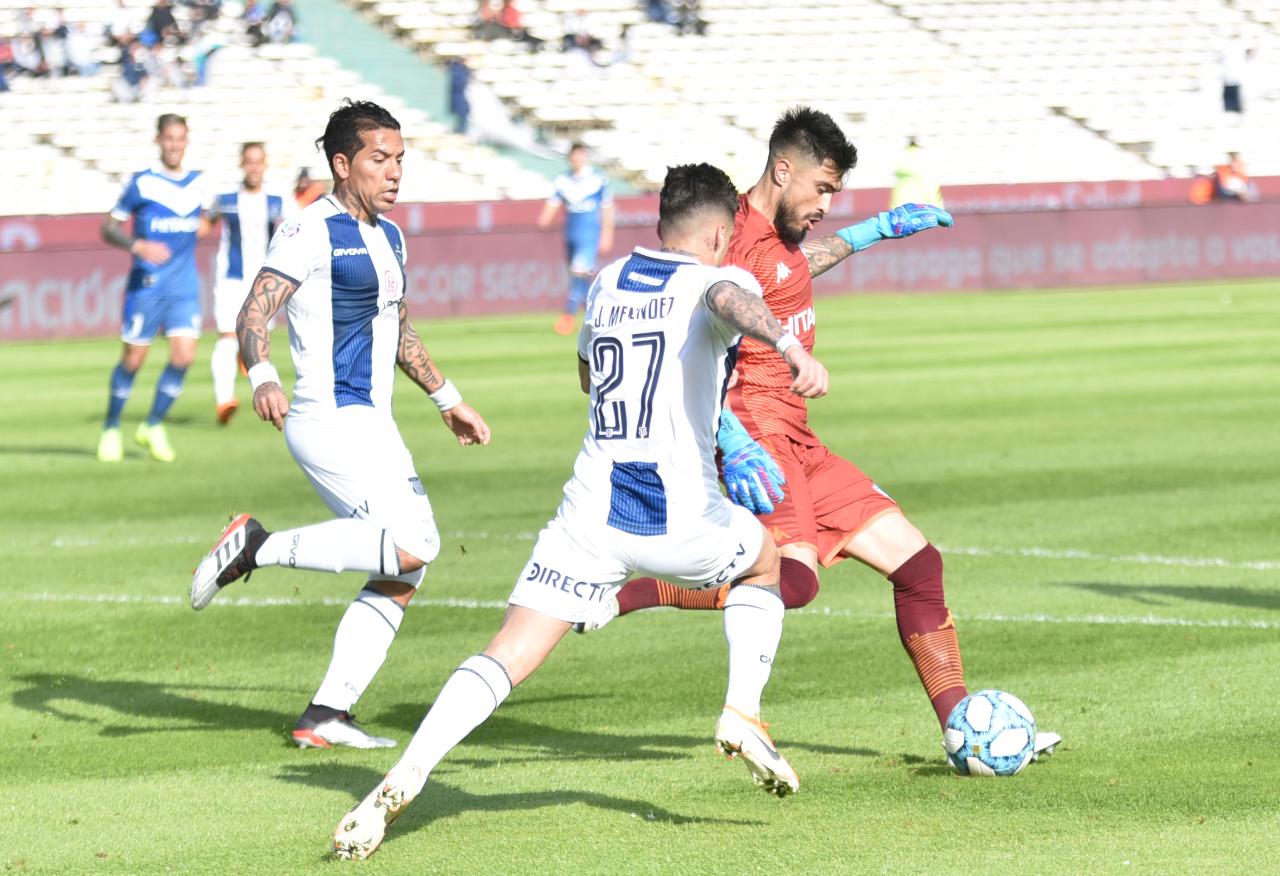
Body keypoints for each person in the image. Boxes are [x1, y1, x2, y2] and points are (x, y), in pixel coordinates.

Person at [329, 162, 830, 860]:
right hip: (677, 517)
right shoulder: (723, 277)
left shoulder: (606, 281)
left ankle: (406, 774)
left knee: (506, 652)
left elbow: (590, 377)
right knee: (766, 563)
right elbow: (723, 297)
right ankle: (743, 710)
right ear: (720, 231)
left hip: (588, 513)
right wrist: (786, 343)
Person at [583, 107, 1061, 759]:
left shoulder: (775, 240)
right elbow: (687, 331)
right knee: (796, 583)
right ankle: (632, 591)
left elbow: (794, 271)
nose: (827, 205)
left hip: (800, 439)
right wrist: (729, 435)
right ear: (783, 170)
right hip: (756, 434)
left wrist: (875, 233)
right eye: (823, 189)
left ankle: (960, 731)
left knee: (919, 565)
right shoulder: (726, 237)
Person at [189, 100, 492, 751]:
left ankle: (326, 713)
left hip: (375, 424)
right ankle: (256, 547)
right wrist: (262, 373)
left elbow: (399, 327)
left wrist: (447, 397)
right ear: (341, 163)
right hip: (327, 419)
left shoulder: (391, 236)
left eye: (401, 159)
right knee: (414, 546)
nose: (395, 173)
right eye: (380, 160)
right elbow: (255, 308)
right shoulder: (308, 230)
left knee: (406, 569)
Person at [97, 113, 207, 463]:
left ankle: (153, 425)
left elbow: (209, 220)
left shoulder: (199, 184)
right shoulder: (142, 184)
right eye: (168, 138)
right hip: (146, 286)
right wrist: (138, 246)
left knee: (184, 356)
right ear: (158, 140)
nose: (174, 145)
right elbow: (108, 226)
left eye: (180, 138)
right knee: (133, 360)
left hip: (185, 286)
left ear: (186, 141)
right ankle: (111, 427)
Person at [202, 141, 297, 425]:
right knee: (227, 336)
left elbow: (299, 228)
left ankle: (252, 372)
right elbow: (205, 223)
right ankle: (224, 401)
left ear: (265, 164)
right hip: (231, 279)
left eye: (259, 161)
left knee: (258, 339)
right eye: (249, 162)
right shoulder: (226, 199)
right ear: (242, 164)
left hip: (265, 282)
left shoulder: (278, 200)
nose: (254, 167)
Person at [538, 142, 614, 335]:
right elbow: (553, 202)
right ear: (570, 158)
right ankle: (594, 312)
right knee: (578, 277)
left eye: (581, 156)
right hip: (571, 232)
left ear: (585, 157)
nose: (578, 160)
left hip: (589, 233)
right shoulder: (563, 180)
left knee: (579, 272)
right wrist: (545, 218)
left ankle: (567, 317)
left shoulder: (597, 179)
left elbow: (607, 208)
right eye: (575, 156)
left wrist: (607, 234)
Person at [891, 135, 943, 210]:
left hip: (902, 206)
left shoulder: (900, 157)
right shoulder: (929, 158)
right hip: (926, 206)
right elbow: (931, 189)